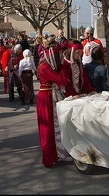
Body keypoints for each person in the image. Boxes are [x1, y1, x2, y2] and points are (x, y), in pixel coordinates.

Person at [36, 37, 71, 167]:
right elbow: (62, 80)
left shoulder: (49, 64)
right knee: (48, 128)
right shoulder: (45, 66)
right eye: (60, 54)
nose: (62, 56)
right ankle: (49, 156)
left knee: (56, 126)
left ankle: (59, 153)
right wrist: (62, 68)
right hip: (46, 97)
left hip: (51, 95)